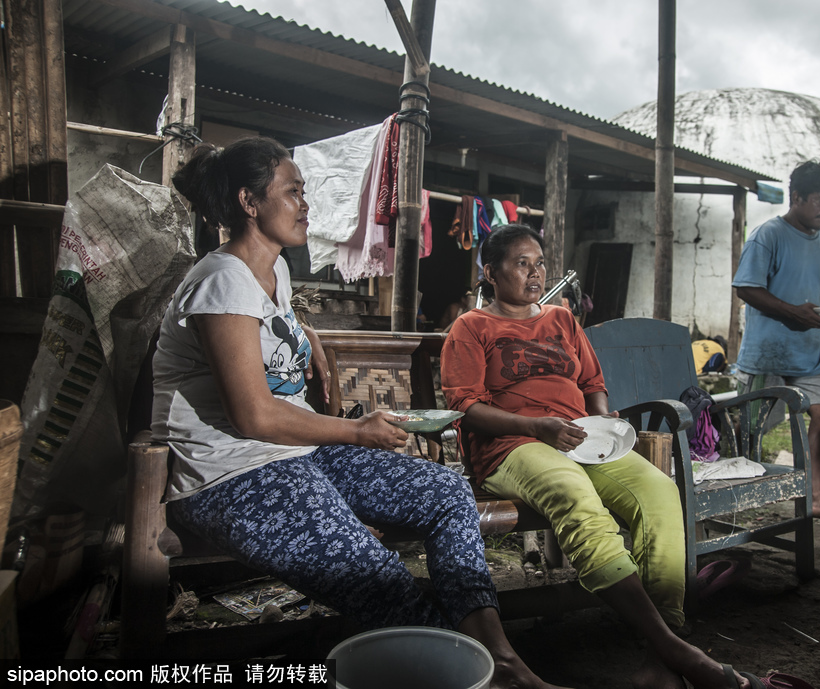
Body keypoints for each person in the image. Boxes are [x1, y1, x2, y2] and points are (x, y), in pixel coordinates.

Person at [154, 137, 562, 689]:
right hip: (231, 475)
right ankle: (460, 675)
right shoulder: (221, 278)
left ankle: (497, 656)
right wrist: (357, 431)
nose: (306, 204)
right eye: (293, 192)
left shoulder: (273, 277)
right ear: (250, 203)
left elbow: (263, 351)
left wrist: (307, 336)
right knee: (381, 581)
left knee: (446, 492)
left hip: (297, 456)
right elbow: (252, 415)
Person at [441, 223, 756, 689]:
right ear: (490, 272)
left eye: (540, 262)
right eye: (521, 263)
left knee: (659, 492)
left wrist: (603, 426)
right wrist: (535, 426)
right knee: (575, 495)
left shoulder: (562, 319)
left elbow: (592, 384)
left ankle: (659, 656)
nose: (535, 273)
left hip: (581, 439)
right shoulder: (471, 327)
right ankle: (675, 648)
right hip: (513, 447)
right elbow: (465, 407)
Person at [732, 160, 820, 524]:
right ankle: (730, 490)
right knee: (750, 428)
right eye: (819, 199)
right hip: (767, 354)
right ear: (796, 196)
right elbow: (746, 288)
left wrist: (814, 316)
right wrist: (793, 313)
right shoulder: (767, 235)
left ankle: (819, 497)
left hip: (812, 351)